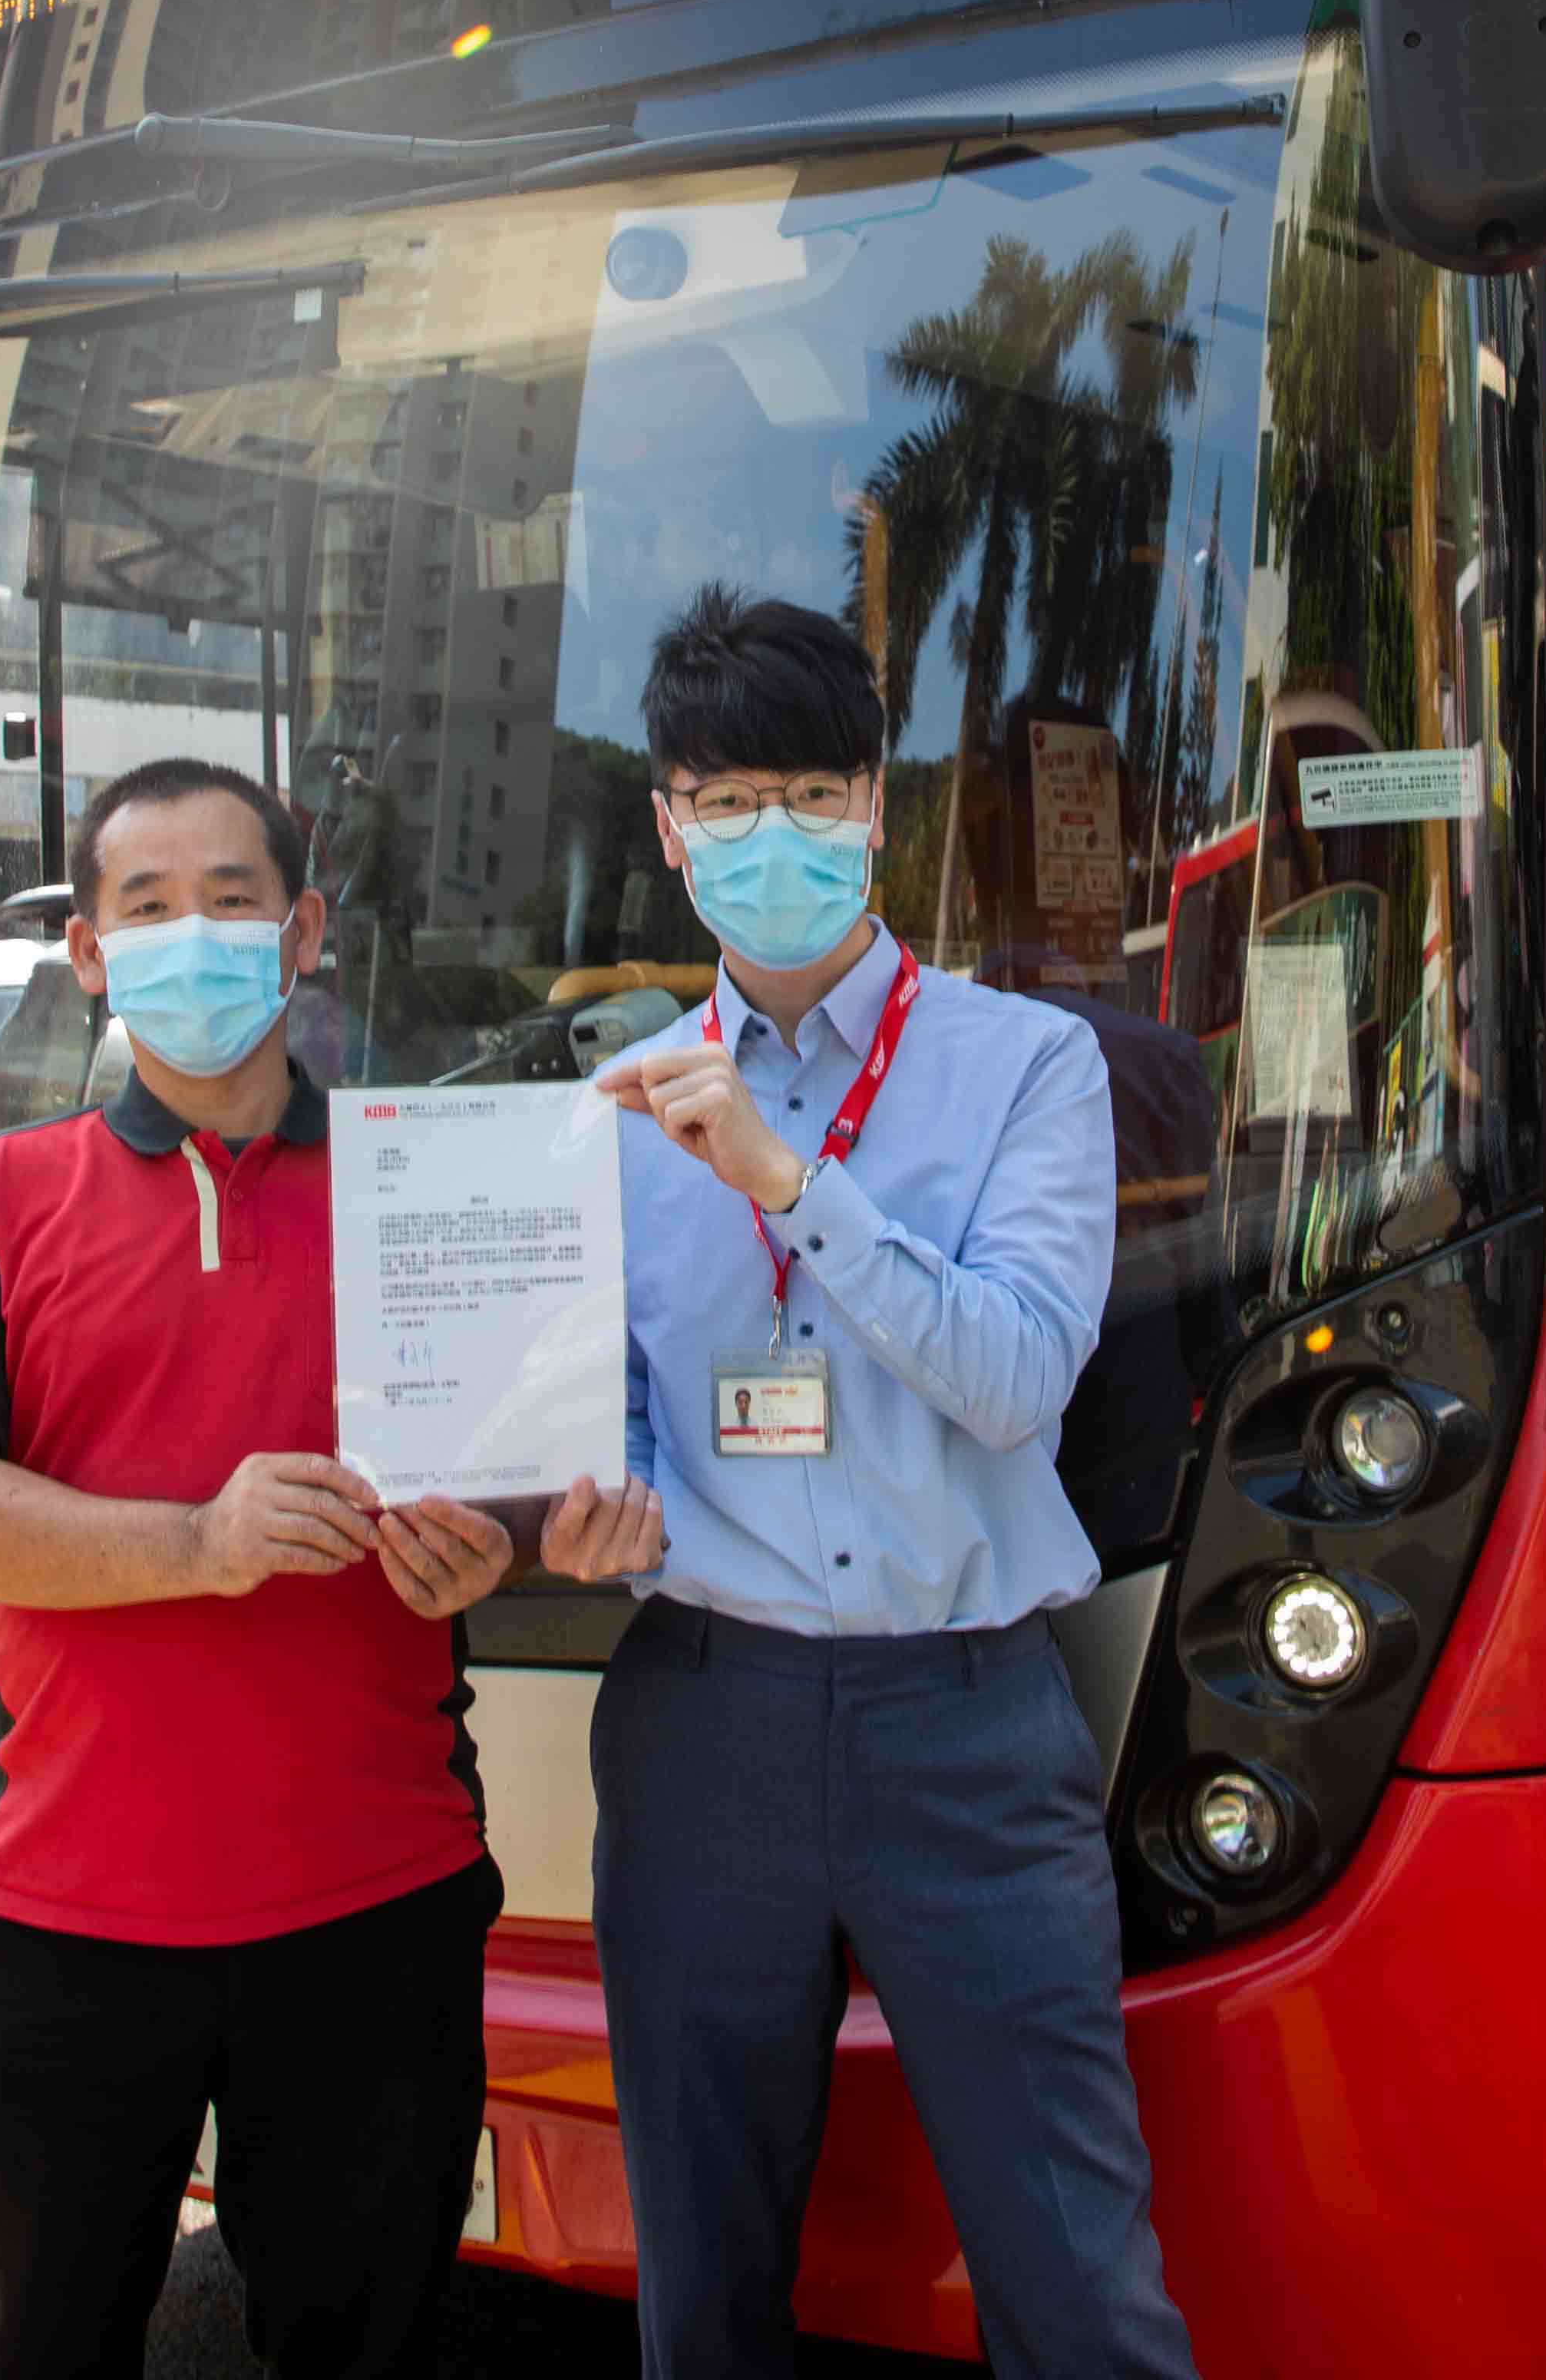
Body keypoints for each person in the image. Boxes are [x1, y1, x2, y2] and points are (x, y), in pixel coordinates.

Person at [540, 590, 1200, 2378]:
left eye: (812, 792)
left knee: (1075, 2271)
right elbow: (604, 1411)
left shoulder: (1025, 1066)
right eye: (727, 797)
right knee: (706, 2275)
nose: (775, 835)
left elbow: (1011, 1375)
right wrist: (594, 1510)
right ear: (671, 829)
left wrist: (785, 1176)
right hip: (703, 1716)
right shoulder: (602, 1108)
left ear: (875, 809)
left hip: (966, 1719)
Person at [0, 756, 534, 2380]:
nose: (195, 936)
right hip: (65, 1926)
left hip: (379, 1915)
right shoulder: (0, 1199)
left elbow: (518, 1473)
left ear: (304, 931)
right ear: (88, 953)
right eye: (147, 907)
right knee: (29, 2350)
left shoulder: (427, 1188)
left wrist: (480, 1549)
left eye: (233, 900)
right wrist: (198, 1543)